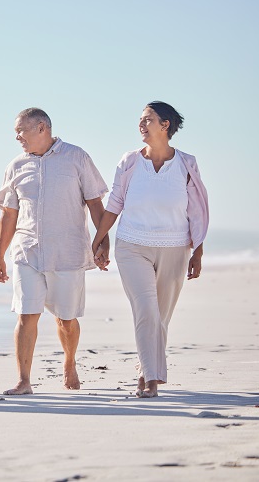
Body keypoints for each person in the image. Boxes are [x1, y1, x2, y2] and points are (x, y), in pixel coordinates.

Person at [91, 101, 208, 398]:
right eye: (140, 120)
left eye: (148, 120)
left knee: (160, 317)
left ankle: (146, 369)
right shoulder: (130, 161)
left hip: (175, 248)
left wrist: (198, 251)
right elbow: (115, 202)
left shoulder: (186, 164)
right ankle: (152, 380)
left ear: (165, 125)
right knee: (145, 309)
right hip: (132, 246)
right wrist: (99, 238)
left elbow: (197, 210)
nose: (141, 125)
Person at [0, 107, 110, 394]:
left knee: (66, 319)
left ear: (42, 128)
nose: (17, 137)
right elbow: (9, 215)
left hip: (67, 252)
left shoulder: (77, 157)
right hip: (27, 250)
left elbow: (96, 205)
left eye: (21, 131)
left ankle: (69, 362)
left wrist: (103, 242)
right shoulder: (16, 165)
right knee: (26, 314)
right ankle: (24, 380)